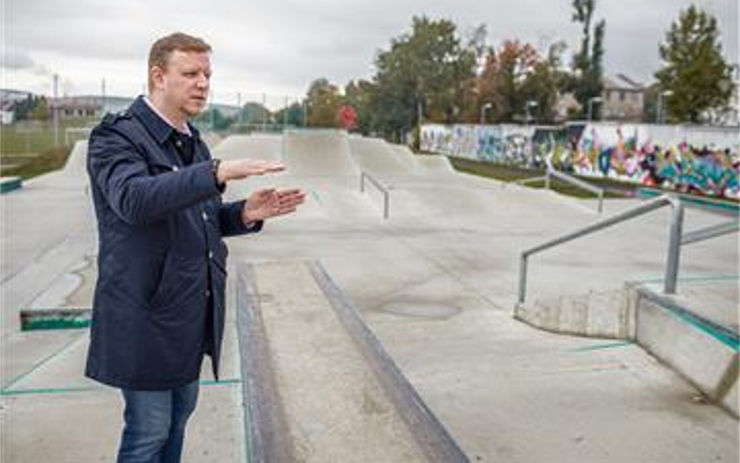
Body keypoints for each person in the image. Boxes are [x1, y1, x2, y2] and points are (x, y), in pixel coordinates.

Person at [85, 32, 305, 462]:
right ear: (158, 76)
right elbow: (134, 199)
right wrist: (216, 171)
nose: (203, 83)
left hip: (189, 310)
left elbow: (198, 220)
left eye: (207, 74)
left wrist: (245, 213)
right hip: (144, 311)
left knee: (178, 421)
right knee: (148, 431)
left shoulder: (193, 142)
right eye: (190, 73)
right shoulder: (117, 137)